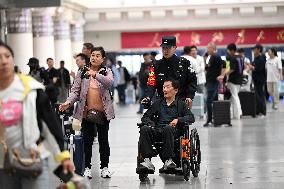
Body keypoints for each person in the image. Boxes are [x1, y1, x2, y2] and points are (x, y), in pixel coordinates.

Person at [0, 41, 74, 189]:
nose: (3, 61)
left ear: (12, 59)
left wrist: (63, 155)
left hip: (33, 157)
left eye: (7, 56)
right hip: (3, 162)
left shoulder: (32, 89)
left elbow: (51, 124)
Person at [59, 46, 115, 179]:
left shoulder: (106, 71)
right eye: (93, 55)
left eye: (97, 55)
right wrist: (68, 102)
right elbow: (75, 91)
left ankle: (105, 167)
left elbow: (109, 82)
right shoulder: (81, 72)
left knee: (103, 140)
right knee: (87, 140)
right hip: (86, 112)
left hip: (103, 113)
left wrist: (95, 74)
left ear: (102, 58)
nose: (94, 58)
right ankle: (87, 167)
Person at [139, 79, 195, 172]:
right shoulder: (158, 103)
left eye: (168, 87)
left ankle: (168, 160)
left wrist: (178, 120)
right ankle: (147, 160)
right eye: (164, 87)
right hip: (157, 130)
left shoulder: (181, 104)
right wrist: (151, 124)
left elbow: (191, 117)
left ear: (175, 90)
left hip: (174, 132)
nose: (165, 89)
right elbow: (145, 117)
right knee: (144, 129)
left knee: (168, 128)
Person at [142, 36, 197, 108]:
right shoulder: (156, 65)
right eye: (164, 48)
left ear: (174, 48)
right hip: (162, 103)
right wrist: (148, 97)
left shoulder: (184, 63)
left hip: (180, 102)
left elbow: (192, 80)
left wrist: (190, 96)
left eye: (168, 48)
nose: (165, 50)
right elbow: (151, 83)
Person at [218, 43, 244, 120]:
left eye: (228, 50)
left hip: (233, 80)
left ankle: (238, 114)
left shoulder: (231, 57)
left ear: (232, 50)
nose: (228, 52)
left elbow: (230, 69)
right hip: (240, 80)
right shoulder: (240, 57)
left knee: (235, 97)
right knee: (233, 97)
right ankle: (232, 114)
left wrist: (223, 75)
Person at [203, 43, 223, 127]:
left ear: (213, 48)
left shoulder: (216, 56)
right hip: (210, 82)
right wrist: (205, 59)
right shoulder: (211, 57)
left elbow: (224, 65)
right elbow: (207, 68)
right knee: (213, 100)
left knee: (209, 101)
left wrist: (222, 75)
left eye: (208, 48)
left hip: (213, 82)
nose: (207, 50)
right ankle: (214, 119)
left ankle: (210, 120)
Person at [250, 44, 267, 117]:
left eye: (255, 49)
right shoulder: (255, 59)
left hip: (260, 80)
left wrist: (251, 67)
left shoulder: (261, 59)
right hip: (255, 80)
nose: (253, 51)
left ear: (259, 50)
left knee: (261, 96)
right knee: (257, 96)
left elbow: (257, 69)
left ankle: (262, 111)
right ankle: (258, 110)